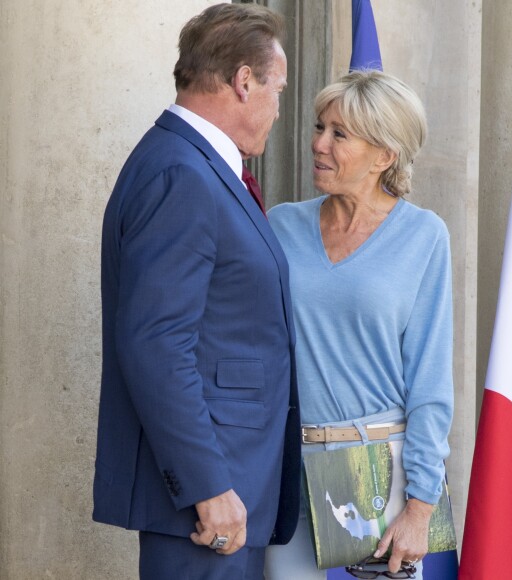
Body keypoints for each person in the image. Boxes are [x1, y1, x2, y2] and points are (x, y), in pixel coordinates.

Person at [92, 4, 301, 579]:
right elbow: (155, 342)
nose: (279, 110)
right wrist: (208, 485)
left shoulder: (189, 163)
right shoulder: (181, 173)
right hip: (208, 506)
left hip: (231, 490)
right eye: (277, 90)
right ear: (242, 81)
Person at [265, 70, 454, 580]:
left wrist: (420, 507)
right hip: (291, 471)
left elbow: (431, 386)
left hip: (382, 481)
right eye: (319, 127)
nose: (318, 144)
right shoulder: (280, 225)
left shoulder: (424, 236)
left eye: (339, 134)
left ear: (384, 155)